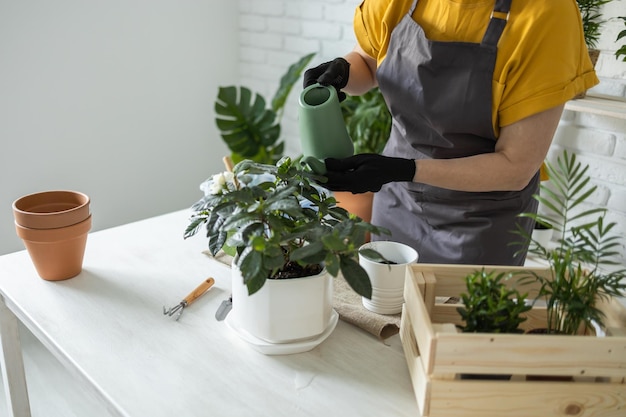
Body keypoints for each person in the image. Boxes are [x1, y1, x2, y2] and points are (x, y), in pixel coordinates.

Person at [303, 0, 599, 266]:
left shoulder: (547, 13)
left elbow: (516, 166)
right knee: (388, 314)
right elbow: (368, 61)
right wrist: (343, 71)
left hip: (482, 223)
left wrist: (403, 169)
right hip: (397, 200)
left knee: (458, 322)